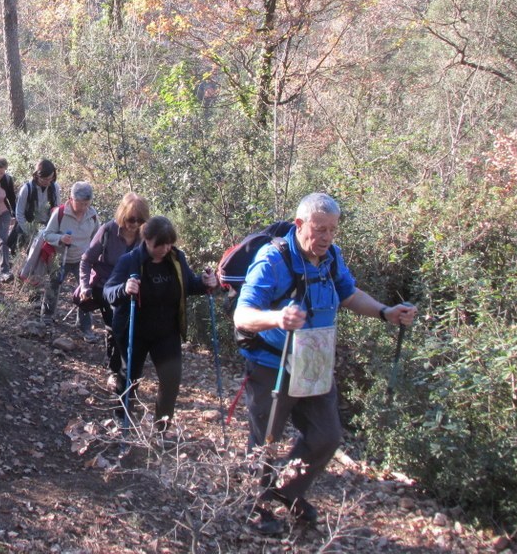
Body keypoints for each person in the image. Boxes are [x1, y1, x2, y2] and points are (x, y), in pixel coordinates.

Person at [234, 192, 417, 535]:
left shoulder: (331, 257)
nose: (327, 238)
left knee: (326, 436)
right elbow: (242, 316)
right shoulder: (272, 259)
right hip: (273, 364)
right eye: (320, 230)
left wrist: (384, 312)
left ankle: (285, 491)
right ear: (300, 224)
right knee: (265, 441)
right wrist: (277, 319)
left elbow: (348, 294)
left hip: (316, 359)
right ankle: (257, 507)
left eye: (332, 230)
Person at [104, 216, 217, 432]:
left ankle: (162, 428)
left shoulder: (176, 258)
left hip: (167, 332)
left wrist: (205, 284)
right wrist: (124, 289)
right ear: (146, 239)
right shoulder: (130, 261)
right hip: (134, 331)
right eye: (161, 243)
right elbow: (109, 292)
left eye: (169, 243)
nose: (166, 248)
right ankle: (122, 419)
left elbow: (188, 285)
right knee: (130, 378)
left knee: (171, 380)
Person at [79, 193, 149, 388]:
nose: (135, 224)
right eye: (131, 219)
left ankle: (128, 367)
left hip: (133, 288)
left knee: (129, 328)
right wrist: (85, 286)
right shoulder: (108, 230)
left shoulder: (145, 235)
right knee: (115, 326)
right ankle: (114, 370)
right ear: (122, 214)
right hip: (106, 286)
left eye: (140, 220)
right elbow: (86, 260)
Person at [39, 182, 99, 330]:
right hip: (61, 257)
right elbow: (47, 234)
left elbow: (97, 237)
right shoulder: (60, 213)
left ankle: (84, 326)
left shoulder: (92, 215)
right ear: (71, 199)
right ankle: (47, 317)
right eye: (81, 203)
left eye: (87, 203)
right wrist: (60, 239)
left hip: (83, 260)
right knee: (53, 287)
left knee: (85, 290)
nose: (84, 207)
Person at [12, 159, 60, 252]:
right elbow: (19, 214)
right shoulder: (26, 189)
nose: (48, 182)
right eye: (45, 179)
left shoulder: (55, 187)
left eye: (51, 178)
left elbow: (57, 210)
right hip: (28, 227)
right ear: (37, 175)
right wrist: (29, 231)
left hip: (47, 229)